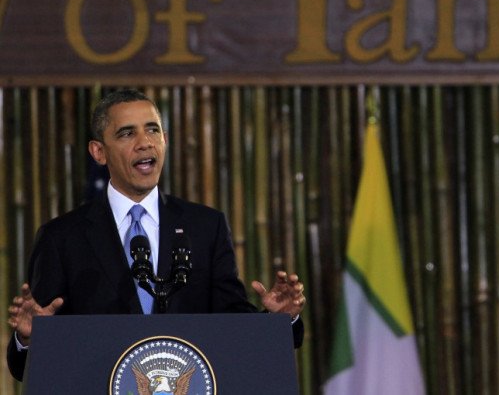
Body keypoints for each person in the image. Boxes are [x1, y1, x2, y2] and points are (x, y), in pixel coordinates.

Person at [6, 89, 306, 381]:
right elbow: (29, 367)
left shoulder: (205, 227)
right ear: (99, 152)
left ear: (164, 140)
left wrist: (279, 320)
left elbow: (233, 327)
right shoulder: (61, 238)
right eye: (127, 133)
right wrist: (29, 339)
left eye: (152, 131)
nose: (144, 143)